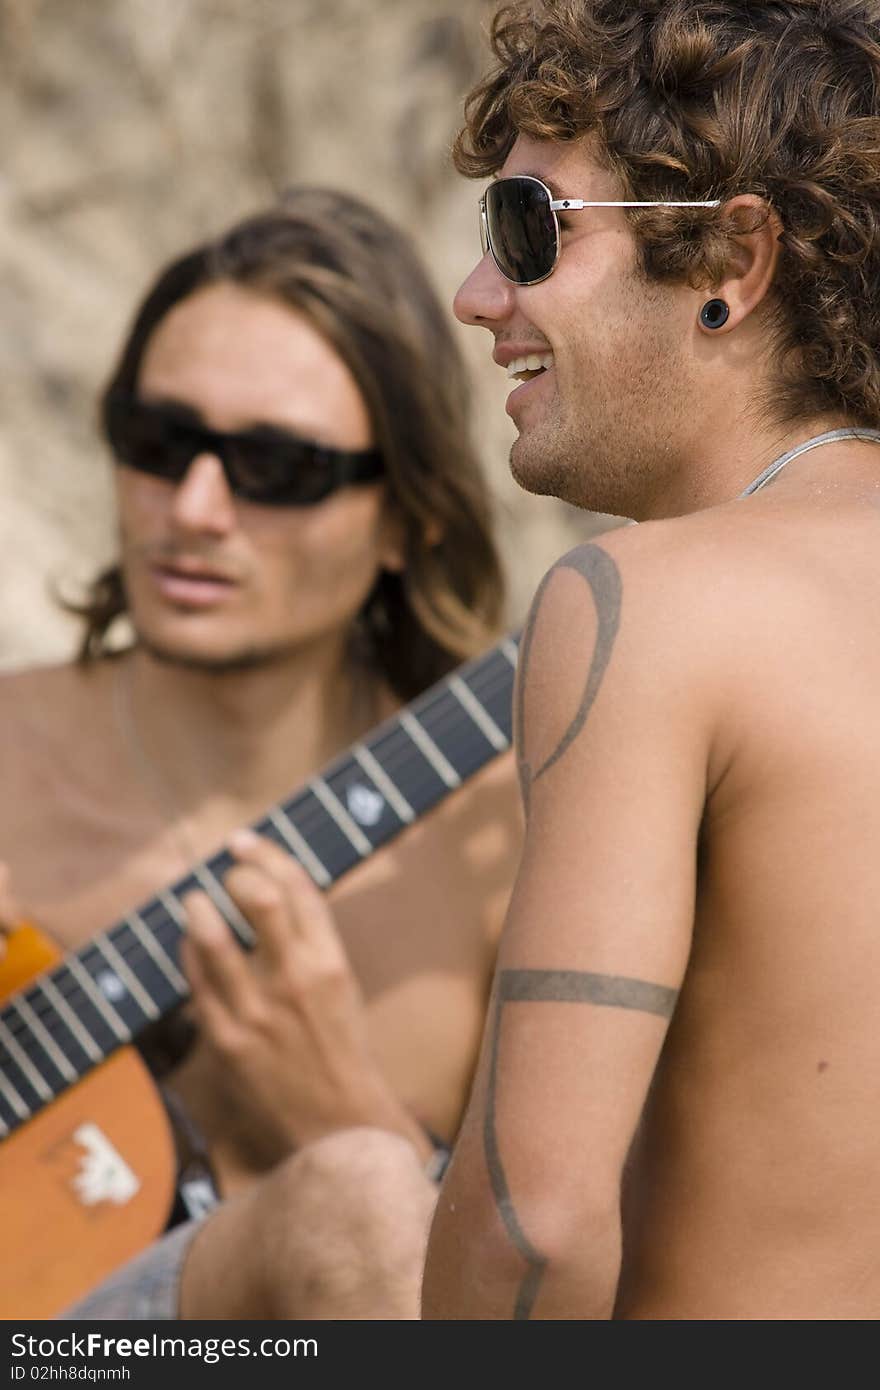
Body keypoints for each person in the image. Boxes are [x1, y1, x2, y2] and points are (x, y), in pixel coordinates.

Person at [421, 0, 880, 1319]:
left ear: (734, 255)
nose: (476, 297)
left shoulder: (645, 606)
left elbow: (535, 1225)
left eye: (530, 232)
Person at [0, 188, 522, 1318]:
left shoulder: (507, 856)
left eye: (275, 467)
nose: (193, 506)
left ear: (408, 517)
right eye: (158, 440)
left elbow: (576, 1296)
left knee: (363, 1192)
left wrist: (354, 1120)